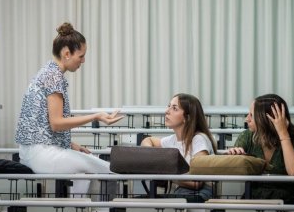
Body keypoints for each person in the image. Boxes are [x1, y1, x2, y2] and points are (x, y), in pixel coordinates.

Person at [15, 22, 124, 197]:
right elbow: (57, 124)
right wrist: (95, 116)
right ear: (67, 54)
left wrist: (71, 145)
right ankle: (109, 210)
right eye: (81, 56)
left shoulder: (47, 72)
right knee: (108, 168)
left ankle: (78, 210)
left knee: (82, 175)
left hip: (34, 151)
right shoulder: (53, 76)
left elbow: (43, 125)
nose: (83, 60)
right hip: (40, 154)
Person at [227, 93, 294, 204]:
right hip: (253, 198)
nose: (247, 119)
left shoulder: (293, 135)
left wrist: (283, 133)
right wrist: (234, 156)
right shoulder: (247, 136)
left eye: (251, 115)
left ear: (266, 119)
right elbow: (233, 170)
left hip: (287, 200)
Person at [140, 93, 217, 202]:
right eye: (169, 106)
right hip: (181, 193)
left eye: (174, 108)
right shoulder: (172, 139)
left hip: (199, 195)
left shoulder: (199, 139)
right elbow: (148, 140)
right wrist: (150, 152)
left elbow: (196, 183)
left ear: (187, 118)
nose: (167, 111)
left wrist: (163, 173)